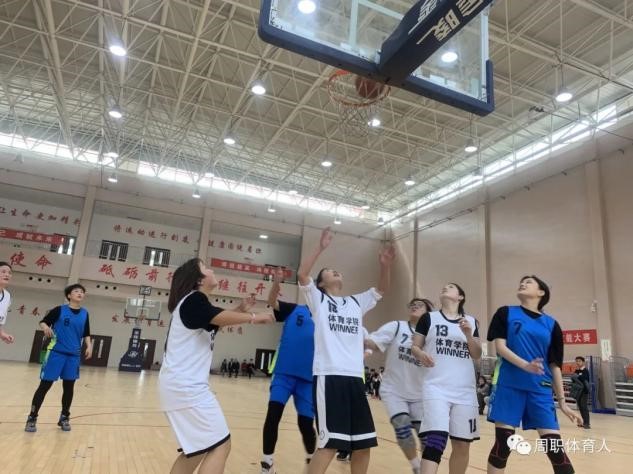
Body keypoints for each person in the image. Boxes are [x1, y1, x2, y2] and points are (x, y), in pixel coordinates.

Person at [158, 258, 274, 474]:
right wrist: (253, 317)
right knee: (221, 445)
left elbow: (215, 321)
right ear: (199, 280)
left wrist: (240, 309)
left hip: (179, 387)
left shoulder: (194, 305)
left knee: (197, 450)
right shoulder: (194, 299)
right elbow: (215, 317)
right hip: (186, 388)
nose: (211, 270)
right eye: (205, 268)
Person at [298, 227, 396, 474]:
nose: (335, 271)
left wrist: (385, 265)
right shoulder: (318, 300)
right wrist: (320, 247)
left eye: (336, 270)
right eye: (329, 271)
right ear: (321, 282)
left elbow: (382, 289)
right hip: (329, 376)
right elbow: (302, 274)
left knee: (363, 445)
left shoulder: (355, 302)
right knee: (330, 444)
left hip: (354, 378)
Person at [486, 275, 583, 474]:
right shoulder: (505, 313)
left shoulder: (552, 325)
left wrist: (563, 403)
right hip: (509, 386)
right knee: (503, 444)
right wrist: (525, 365)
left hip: (540, 390)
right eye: (521, 281)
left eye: (529, 282)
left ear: (541, 292)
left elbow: (555, 366)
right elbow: (500, 348)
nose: (523, 283)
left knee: (555, 449)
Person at [411, 283, 482, 474]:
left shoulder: (471, 321)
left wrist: (468, 335)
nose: (445, 288)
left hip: (465, 391)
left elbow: (476, 354)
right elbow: (415, 347)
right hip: (436, 387)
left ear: (460, 297)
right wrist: (420, 354)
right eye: (443, 286)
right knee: (436, 440)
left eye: (450, 287)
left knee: (462, 445)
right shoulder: (429, 318)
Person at [364, 297, 434, 474]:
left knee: (426, 439)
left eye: (420, 305)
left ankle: (426, 469)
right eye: (412, 304)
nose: (415, 306)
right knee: (402, 427)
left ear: (428, 312)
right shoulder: (396, 326)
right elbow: (374, 343)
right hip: (394, 390)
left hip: (420, 394)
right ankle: (416, 467)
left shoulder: (432, 336)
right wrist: (361, 336)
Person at [260, 268, 316, 474]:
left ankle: (311, 460)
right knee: (273, 415)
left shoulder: (327, 319)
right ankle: (267, 464)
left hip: (308, 380)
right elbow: (272, 301)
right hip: (284, 374)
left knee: (306, 424)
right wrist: (276, 283)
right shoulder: (294, 309)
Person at [25, 283, 93, 432]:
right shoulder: (59, 310)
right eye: (76, 291)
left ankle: (64, 417)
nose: (80, 293)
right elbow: (43, 321)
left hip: (73, 355)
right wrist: (45, 327)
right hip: (56, 353)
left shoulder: (85, 313)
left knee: (69, 388)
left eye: (82, 292)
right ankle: (32, 417)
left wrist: (89, 345)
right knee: (45, 386)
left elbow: (86, 332)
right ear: (69, 295)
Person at [572, 356, 591, 429]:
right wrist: (578, 376)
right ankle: (582, 422)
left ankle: (587, 423)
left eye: (579, 361)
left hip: (584, 391)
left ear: (583, 362)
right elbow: (573, 378)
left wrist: (578, 376)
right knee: (580, 406)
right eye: (576, 361)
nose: (578, 362)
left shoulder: (585, 371)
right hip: (578, 391)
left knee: (584, 406)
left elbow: (584, 378)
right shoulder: (577, 371)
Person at [0, 261, 15, 344]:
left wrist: (2, 334)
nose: (7, 275)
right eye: (3, 272)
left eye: (9, 273)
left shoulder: (7, 296)